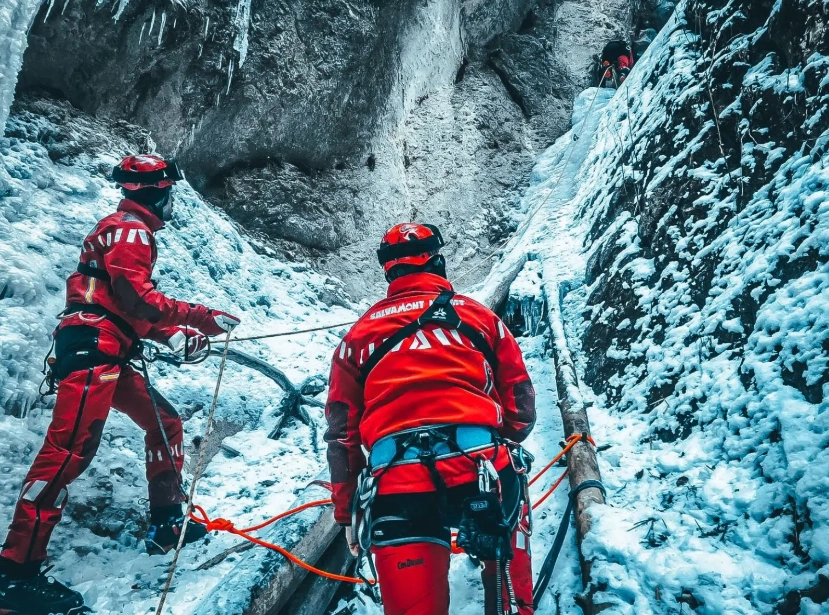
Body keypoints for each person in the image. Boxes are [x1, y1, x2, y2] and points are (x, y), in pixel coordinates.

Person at [0, 154, 240, 614]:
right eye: (169, 192)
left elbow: (122, 303)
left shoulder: (124, 227)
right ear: (160, 193)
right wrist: (198, 318)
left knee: (165, 422)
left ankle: (168, 523)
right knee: (68, 451)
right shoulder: (132, 231)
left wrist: (170, 334)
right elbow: (134, 296)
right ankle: (14, 573)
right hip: (95, 348)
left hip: (106, 345)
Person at [324, 223, 537, 615]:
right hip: (479, 466)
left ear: (388, 273)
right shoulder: (477, 316)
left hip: (396, 485)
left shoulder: (356, 337)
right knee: (508, 574)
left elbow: (341, 436)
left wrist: (346, 512)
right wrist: (501, 436)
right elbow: (520, 405)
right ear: (438, 264)